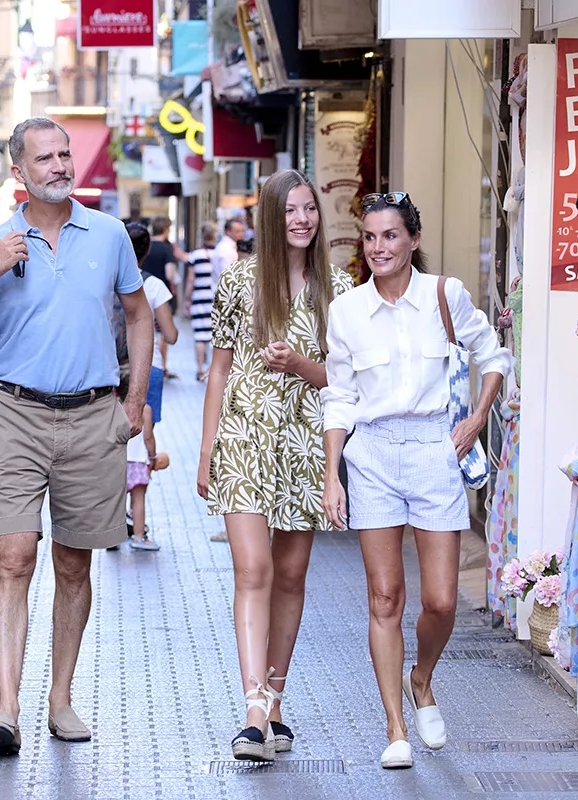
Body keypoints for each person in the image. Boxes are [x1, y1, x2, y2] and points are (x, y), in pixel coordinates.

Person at [0, 117, 153, 755]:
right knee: (15, 558)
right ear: (19, 172)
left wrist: (135, 401)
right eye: (46, 158)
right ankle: (7, 707)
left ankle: (59, 698)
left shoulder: (111, 234)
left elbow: (140, 315)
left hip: (94, 417)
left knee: (73, 562)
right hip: (13, 415)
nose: (61, 165)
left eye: (66, 154)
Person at [320, 192, 511, 770]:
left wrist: (476, 419)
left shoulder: (444, 295)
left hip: (434, 448)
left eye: (391, 237)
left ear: (413, 240)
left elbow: (494, 355)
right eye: (371, 238)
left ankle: (421, 678)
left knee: (442, 600)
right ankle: (395, 728)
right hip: (373, 452)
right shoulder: (347, 311)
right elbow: (339, 397)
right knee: (385, 597)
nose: (379, 247)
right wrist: (333, 474)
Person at [197, 170, 354, 762]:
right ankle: (253, 709)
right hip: (244, 437)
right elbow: (219, 368)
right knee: (254, 569)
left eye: (309, 209)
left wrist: (299, 367)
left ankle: (278, 696)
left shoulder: (337, 288)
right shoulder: (238, 283)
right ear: (270, 216)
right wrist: (208, 448)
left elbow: (343, 379)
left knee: (291, 576)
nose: (302, 219)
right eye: (290, 210)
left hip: (305, 443)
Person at [121, 222, 177, 551]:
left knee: (114, 446)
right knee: (141, 441)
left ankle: (115, 522)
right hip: (149, 366)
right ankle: (137, 517)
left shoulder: (108, 280)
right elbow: (170, 335)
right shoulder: (153, 285)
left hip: (112, 368)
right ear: (146, 251)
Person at [145, 216, 186, 379]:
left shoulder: (145, 246)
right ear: (165, 229)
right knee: (162, 333)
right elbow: (170, 274)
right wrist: (178, 279)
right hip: (161, 296)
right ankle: (161, 366)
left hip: (143, 293)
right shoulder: (166, 248)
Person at [186, 222, 219, 381]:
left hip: (199, 297)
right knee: (215, 336)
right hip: (215, 297)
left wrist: (187, 299)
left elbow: (191, 279)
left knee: (200, 336)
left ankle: (199, 370)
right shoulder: (220, 253)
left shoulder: (195, 255)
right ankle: (213, 369)